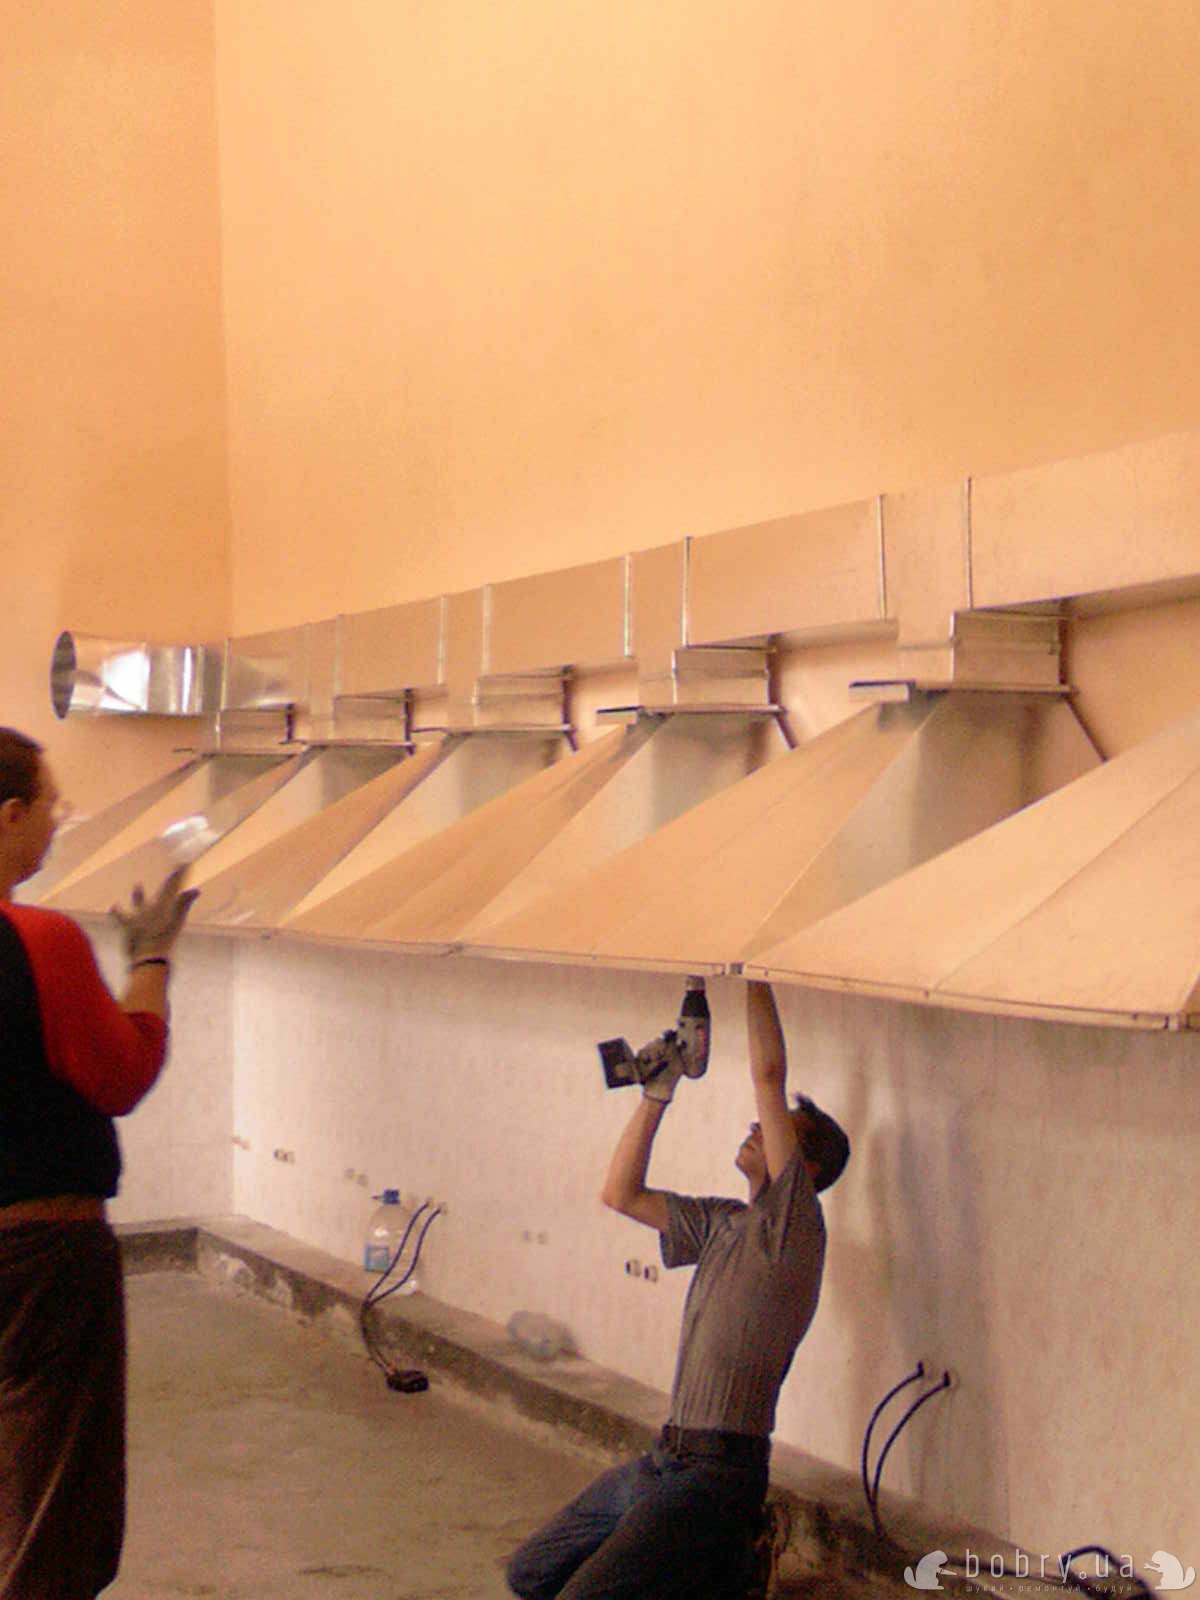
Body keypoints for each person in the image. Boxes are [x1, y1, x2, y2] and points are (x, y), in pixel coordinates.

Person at [506, 979, 850, 1600]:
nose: (756, 1125)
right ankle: (723, 1568)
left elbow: (768, 1076)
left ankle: (729, 1557)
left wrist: (753, 970)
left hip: (721, 1475)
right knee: (529, 1573)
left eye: (778, 1128)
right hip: (666, 1459)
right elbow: (621, 1193)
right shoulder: (722, 1221)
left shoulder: (794, 1229)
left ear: (807, 1169)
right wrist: (656, 1095)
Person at [0, 727, 197, 1600]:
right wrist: (150, 962)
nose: (58, 819)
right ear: (9, 815)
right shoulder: (39, 939)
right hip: (39, 1255)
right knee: (51, 1504)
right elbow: (120, 1076)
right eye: (52, 804)